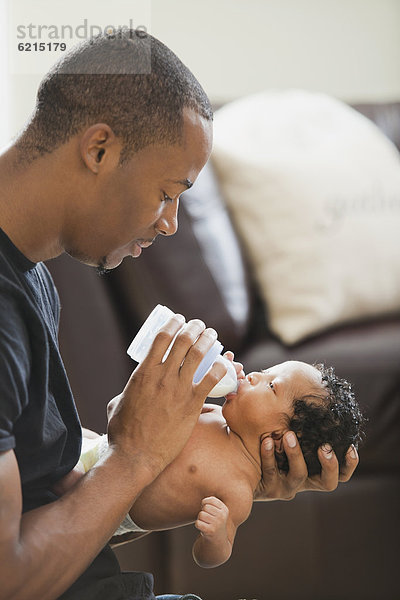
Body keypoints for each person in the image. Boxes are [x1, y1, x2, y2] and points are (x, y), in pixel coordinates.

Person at [0, 27, 359, 600]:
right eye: (168, 192)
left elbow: (48, 506)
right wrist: (135, 457)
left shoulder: (33, 276)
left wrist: (205, 479)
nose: (170, 223)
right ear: (99, 150)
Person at [76, 358, 363, 568]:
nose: (252, 376)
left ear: (280, 438)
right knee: (68, 445)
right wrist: (199, 380)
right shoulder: (217, 414)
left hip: (110, 508)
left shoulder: (237, 488)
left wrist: (214, 536)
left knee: (61, 479)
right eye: (264, 372)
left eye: (270, 385)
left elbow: (212, 556)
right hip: (102, 448)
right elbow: (159, 416)